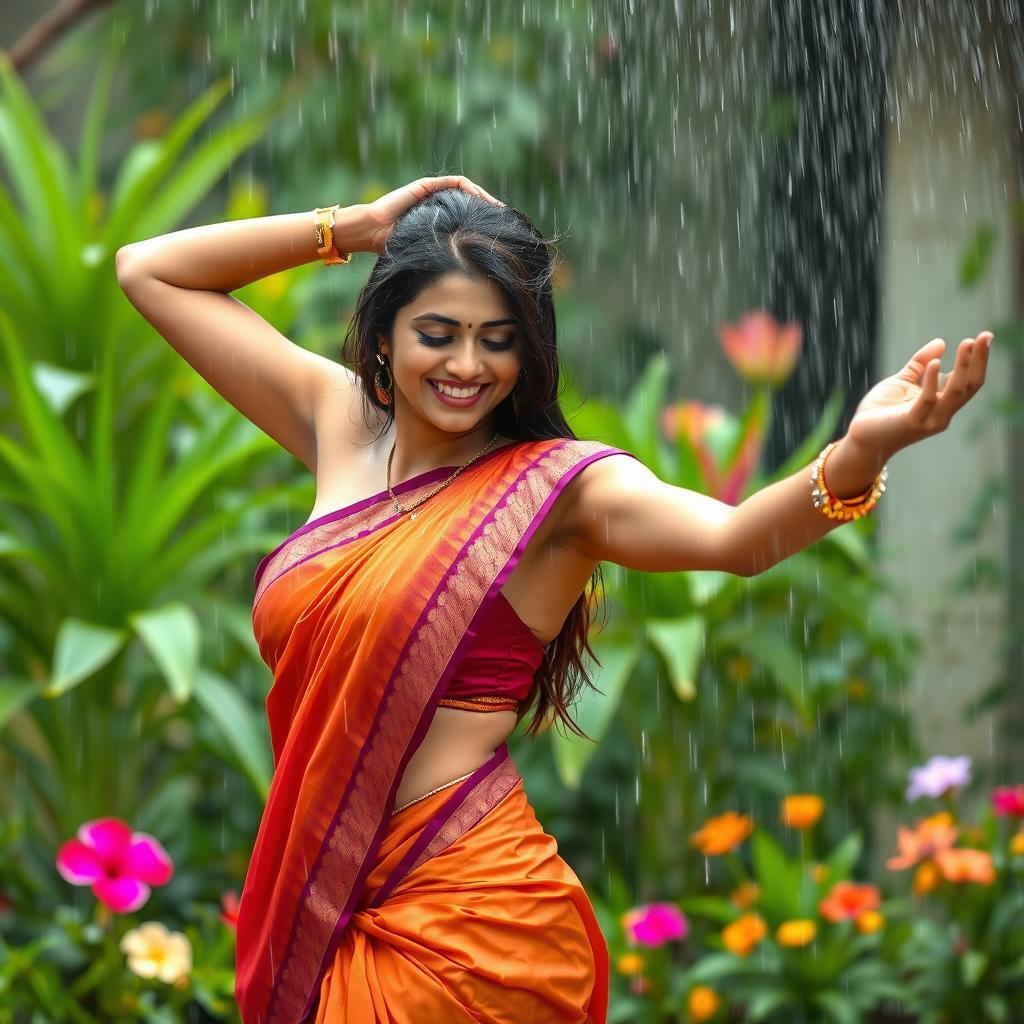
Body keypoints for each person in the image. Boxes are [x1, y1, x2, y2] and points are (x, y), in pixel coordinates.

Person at [115, 175, 992, 1023]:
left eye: (498, 339)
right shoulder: (336, 420)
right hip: (334, 901)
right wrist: (354, 228)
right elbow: (147, 269)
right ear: (384, 334)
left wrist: (857, 457)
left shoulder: (557, 493)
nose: (467, 364)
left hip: (471, 924)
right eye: (439, 332)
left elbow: (735, 541)